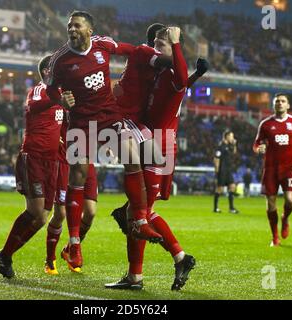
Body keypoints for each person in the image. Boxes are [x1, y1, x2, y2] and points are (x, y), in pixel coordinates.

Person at [46, 11, 162, 272]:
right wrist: (60, 100)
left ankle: (140, 220)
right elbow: (50, 87)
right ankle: (74, 244)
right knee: (78, 176)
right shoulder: (60, 60)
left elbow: (131, 50)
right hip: (81, 124)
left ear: (89, 30)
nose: (71, 29)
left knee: (133, 158)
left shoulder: (102, 44)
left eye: (76, 25)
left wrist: (155, 59)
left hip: (110, 116)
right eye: (69, 26)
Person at [106, 27, 196, 291]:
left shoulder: (172, 74)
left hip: (159, 146)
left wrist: (177, 45)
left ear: (174, 49)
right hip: (147, 140)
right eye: (155, 42)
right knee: (137, 212)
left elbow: (180, 79)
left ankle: (176, 258)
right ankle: (140, 274)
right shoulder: (161, 73)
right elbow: (179, 82)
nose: (157, 46)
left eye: (163, 44)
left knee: (141, 212)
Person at [0, 55, 74, 278]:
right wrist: (59, 102)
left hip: (53, 162)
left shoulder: (61, 95)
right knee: (36, 211)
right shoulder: (40, 89)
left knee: (41, 218)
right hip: (35, 157)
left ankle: (6, 254)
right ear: (48, 71)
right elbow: (34, 105)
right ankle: (6, 254)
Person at [253, 93, 292, 247]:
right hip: (271, 169)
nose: (280, 103)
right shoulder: (265, 124)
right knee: (271, 203)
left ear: (288, 105)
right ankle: (275, 237)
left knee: (291, 199)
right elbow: (256, 143)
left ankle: (285, 218)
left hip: (289, 168)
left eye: (283, 101)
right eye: (277, 101)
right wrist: (258, 148)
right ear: (273, 105)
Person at [45, 110, 98, 274]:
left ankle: (69, 249)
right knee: (60, 213)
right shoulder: (62, 96)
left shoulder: (91, 98)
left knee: (90, 212)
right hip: (64, 160)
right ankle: (50, 259)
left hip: (85, 160)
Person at [213, 130, 239, 214]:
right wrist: (217, 172)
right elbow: (216, 158)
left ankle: (231, 208)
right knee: (219, 189)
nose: (233, 138)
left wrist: (234, 144)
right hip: (222, 171)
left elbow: (234, 153)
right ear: (227, 136)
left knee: (232, 187)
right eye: (231, 136)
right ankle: (215, 208)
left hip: (228, 170)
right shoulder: (221, 146)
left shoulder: (229, 145)